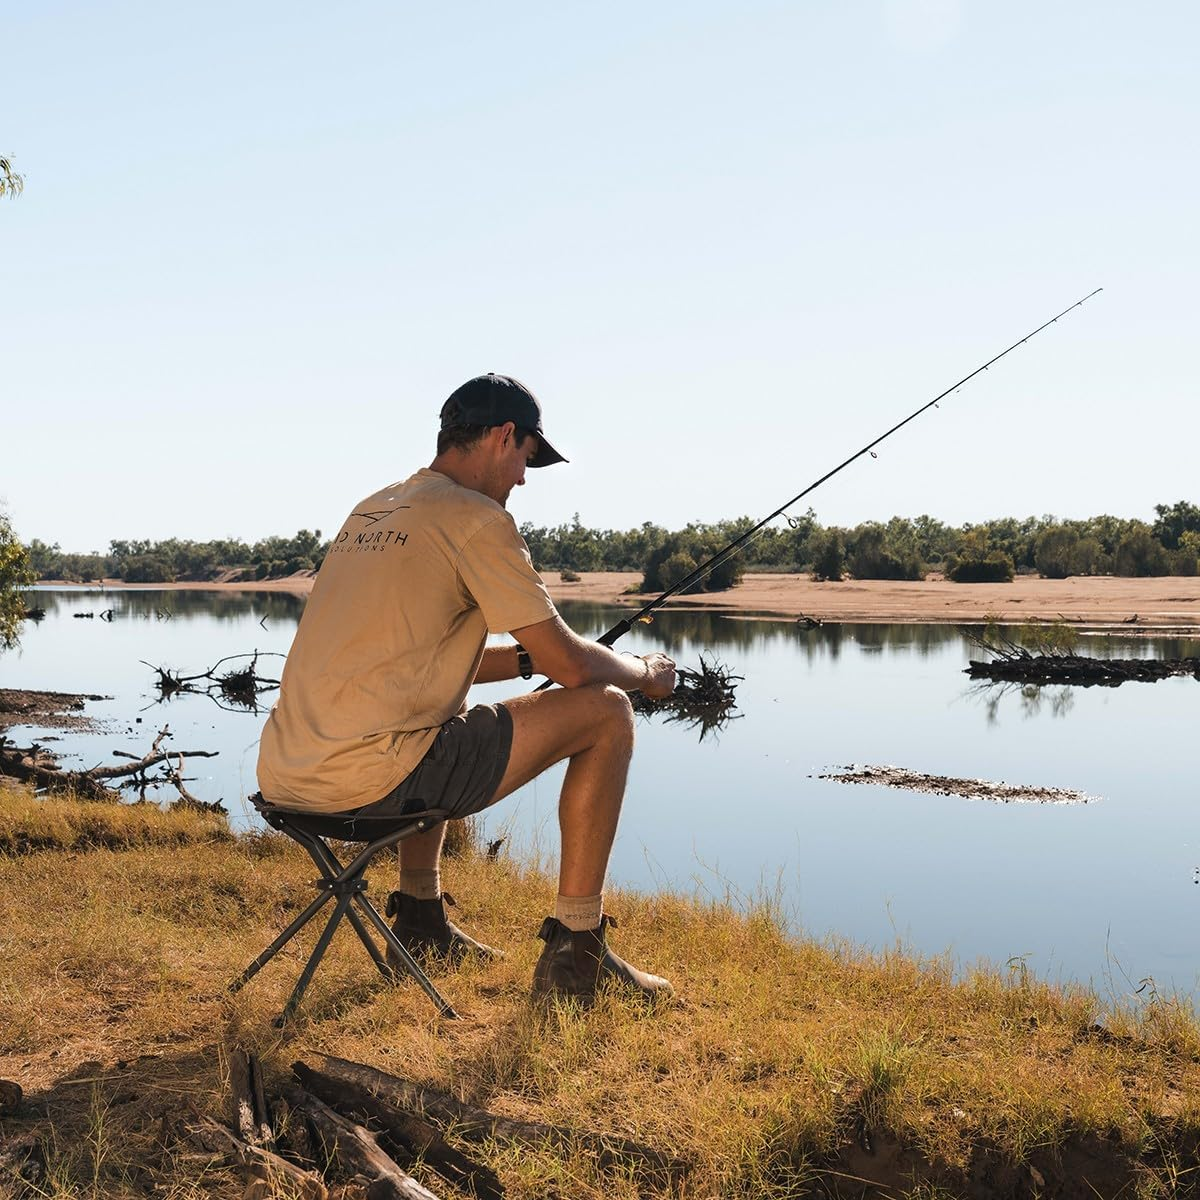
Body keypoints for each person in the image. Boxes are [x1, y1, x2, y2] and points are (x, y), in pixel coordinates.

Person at [257, 373, 677, 1003]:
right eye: (527, 457)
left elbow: (415, 660)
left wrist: (527, 663)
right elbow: (572, 666)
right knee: (609, 713)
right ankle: (577, 958)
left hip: (288, 779)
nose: (524, 478)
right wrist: (644, 674)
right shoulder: (476, 518)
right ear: (505, 436)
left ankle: (421, 922)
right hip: (371, 786)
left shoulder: (371, 510)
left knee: (434, 713)